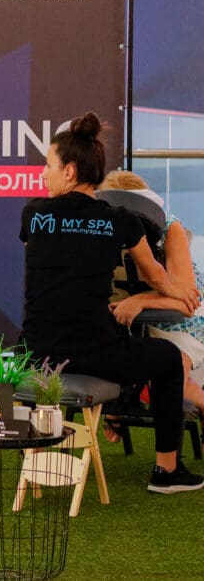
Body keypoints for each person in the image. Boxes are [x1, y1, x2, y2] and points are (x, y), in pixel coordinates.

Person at [19, 113, 203, 493]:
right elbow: (154, 276)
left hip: (37, 352)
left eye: (48, 166)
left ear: (69, 171)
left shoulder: (33, 215)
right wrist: (175, 293)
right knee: (167, 360)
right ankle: (167, 473)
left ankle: (41, 457)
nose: (42, 174)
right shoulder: (119, 220)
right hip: (96, 352)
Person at [97, 170, 204, 440]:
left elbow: (186, 302)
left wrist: (141, 300)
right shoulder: (99, 228)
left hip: (178, 317)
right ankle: (118, 404)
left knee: (171, 384)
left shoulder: (170, 228)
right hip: (124, 316)